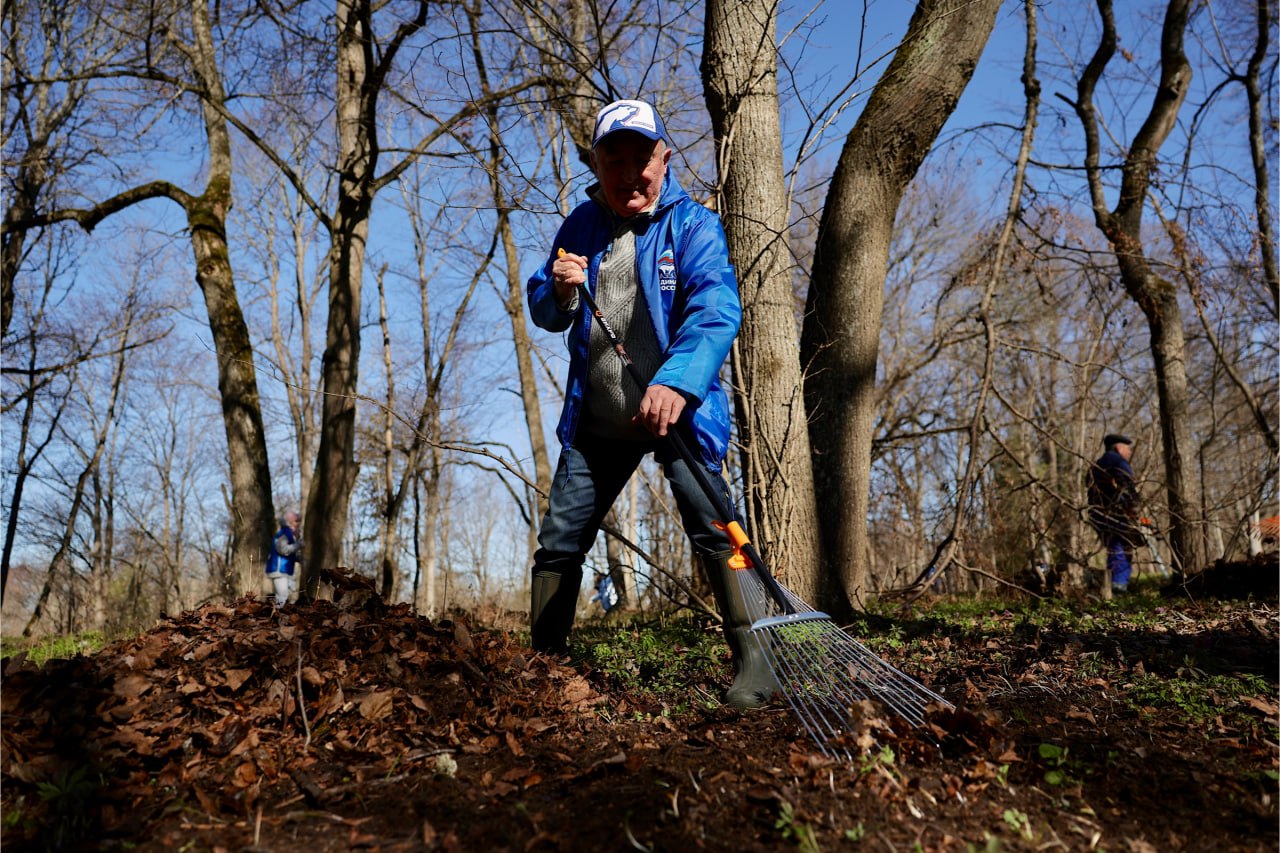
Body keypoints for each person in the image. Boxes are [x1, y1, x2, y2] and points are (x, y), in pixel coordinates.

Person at [525, 97, 777, 709]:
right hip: (599, 420)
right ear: (597, 164)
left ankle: (758, 663)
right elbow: (545, 310)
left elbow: (715, 309)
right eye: (614, 160)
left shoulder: (693, 226)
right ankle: (542, 668)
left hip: (675, 411)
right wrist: (558, 290)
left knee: (715, 524)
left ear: (664, 159)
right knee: (560, 540)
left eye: (642, 158)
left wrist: (677, 382)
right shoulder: (580, 225)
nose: (629, 173)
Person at [1086, 434, 1140, 592]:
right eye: (1127, 449)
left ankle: (1116, 582)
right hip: (1115, 513)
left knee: (1114, 545)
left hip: (1097, 512)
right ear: (1118, 448)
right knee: (1120, 545)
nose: (1129, 452)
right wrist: (1133, 507)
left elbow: (1088, 485)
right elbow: (1127, 487)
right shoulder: (1118, 462)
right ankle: (1118, 584)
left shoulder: (1096, 465)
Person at [265, 510, 303, 607]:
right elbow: (283, 550)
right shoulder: (284, 533)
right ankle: (276, 613)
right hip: (278, 569)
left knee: (286, 594)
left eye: (299, 521)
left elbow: (289, 552)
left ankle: (276, 611)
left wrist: (298, 558)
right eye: (296, 521)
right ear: (290, 522)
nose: (298, 524)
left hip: (284, 570)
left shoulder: (290, 534)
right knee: (282, 596)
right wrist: (298, 545)